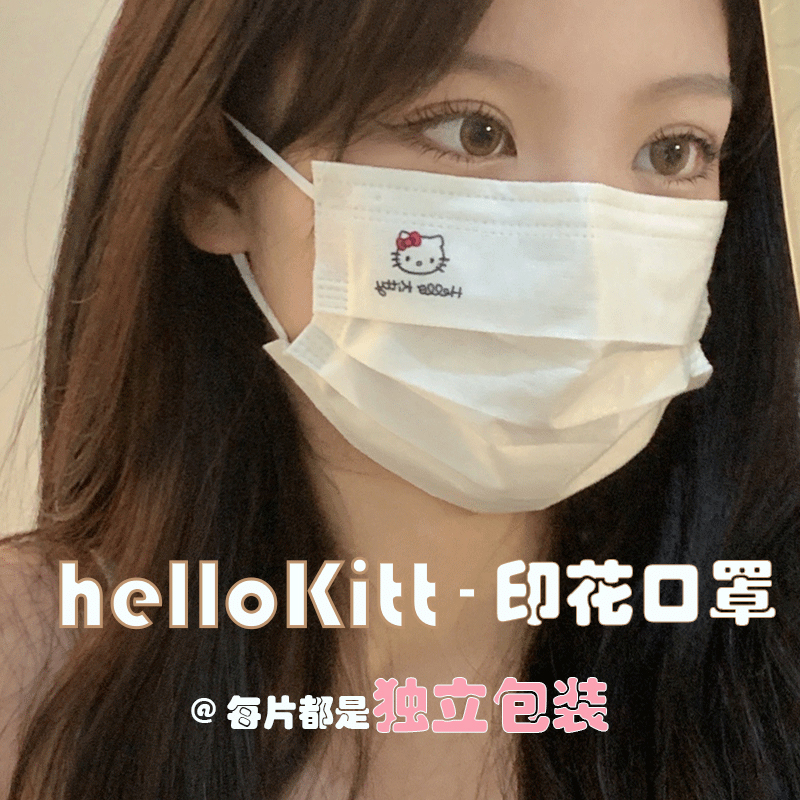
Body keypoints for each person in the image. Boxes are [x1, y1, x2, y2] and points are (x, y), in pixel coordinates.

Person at [1, 0, 799, 797]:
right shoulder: (26, 668)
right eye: (473, 132)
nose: (586, 265)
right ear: (218, 177)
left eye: (672, 151)